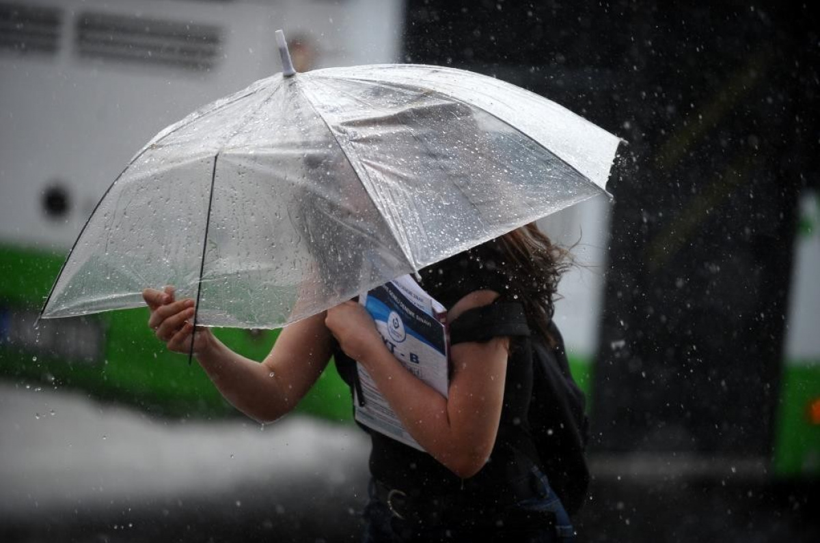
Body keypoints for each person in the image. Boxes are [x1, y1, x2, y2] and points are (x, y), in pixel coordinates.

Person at [143, 223, 578, 543]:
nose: (335, 182)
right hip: (394, 516)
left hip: (495, 525)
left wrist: (369, 347)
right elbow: (273, 390)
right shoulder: (343, 258)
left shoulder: (477, 275)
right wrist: (207, 348)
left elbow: (465, 452)